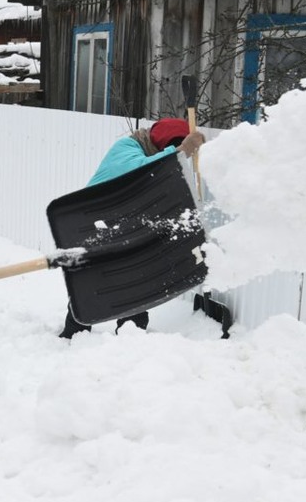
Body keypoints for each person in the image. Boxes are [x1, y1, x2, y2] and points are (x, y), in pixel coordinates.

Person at [59, 117, 206, 339]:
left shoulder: (156, 163)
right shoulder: (127, 147)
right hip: (92, 224)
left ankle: (132, 337)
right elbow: (136, 170)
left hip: (123, 227)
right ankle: (74, 333)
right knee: (91, 281)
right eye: (170, 146)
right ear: (160, 144)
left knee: (136, 280)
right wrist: (180, 151)